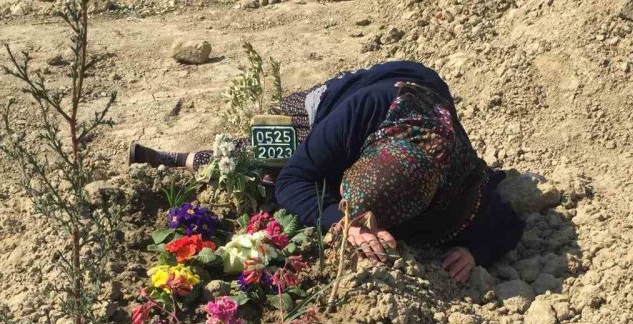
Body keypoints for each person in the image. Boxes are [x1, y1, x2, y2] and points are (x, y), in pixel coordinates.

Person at [130, 61, 525, 283]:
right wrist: (341, 221)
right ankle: (181, 158)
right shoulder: (361, 112)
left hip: (422, 105)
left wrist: (474, 251)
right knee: (264, 159)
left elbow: (506, 224)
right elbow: (293, 182)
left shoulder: (460, 182)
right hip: (343, 99)